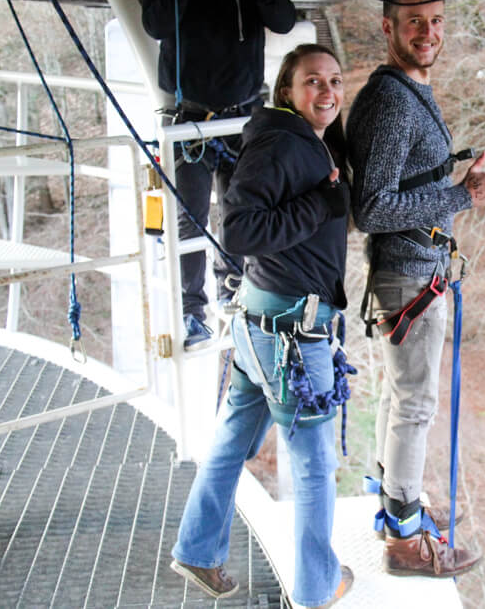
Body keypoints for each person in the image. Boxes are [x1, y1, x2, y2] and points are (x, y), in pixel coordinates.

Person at [169, 44, 354, 608]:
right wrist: (323, 205)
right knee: (316, 464)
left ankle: (198, 551)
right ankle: (318, 589)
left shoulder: (299, 140)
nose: (326, 92)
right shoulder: (280, 142)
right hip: (289, 336)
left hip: (261, 323)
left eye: (334, 81)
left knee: (231, 439)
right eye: (312, 82)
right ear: (286, 92)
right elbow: (242, 233)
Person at [347, 0, 485, 578]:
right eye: (415, 21)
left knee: (404, 396)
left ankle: (400, 505)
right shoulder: (391, 100)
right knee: (416, 402)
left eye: (436, 20)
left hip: (414, 271)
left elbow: (402, 186)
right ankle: (403, 541)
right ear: (388, 26)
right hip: (409, 275)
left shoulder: (408, 91)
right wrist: (462, 196)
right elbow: (374, 208)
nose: (428, 32)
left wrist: (456, 188)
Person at [142, 0, 296, 350]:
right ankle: (192, 310)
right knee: (189, 218)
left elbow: (283, 20)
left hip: (243, 115)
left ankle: (234, 288)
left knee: (241, 210)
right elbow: (156, 25)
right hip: (190, 118)